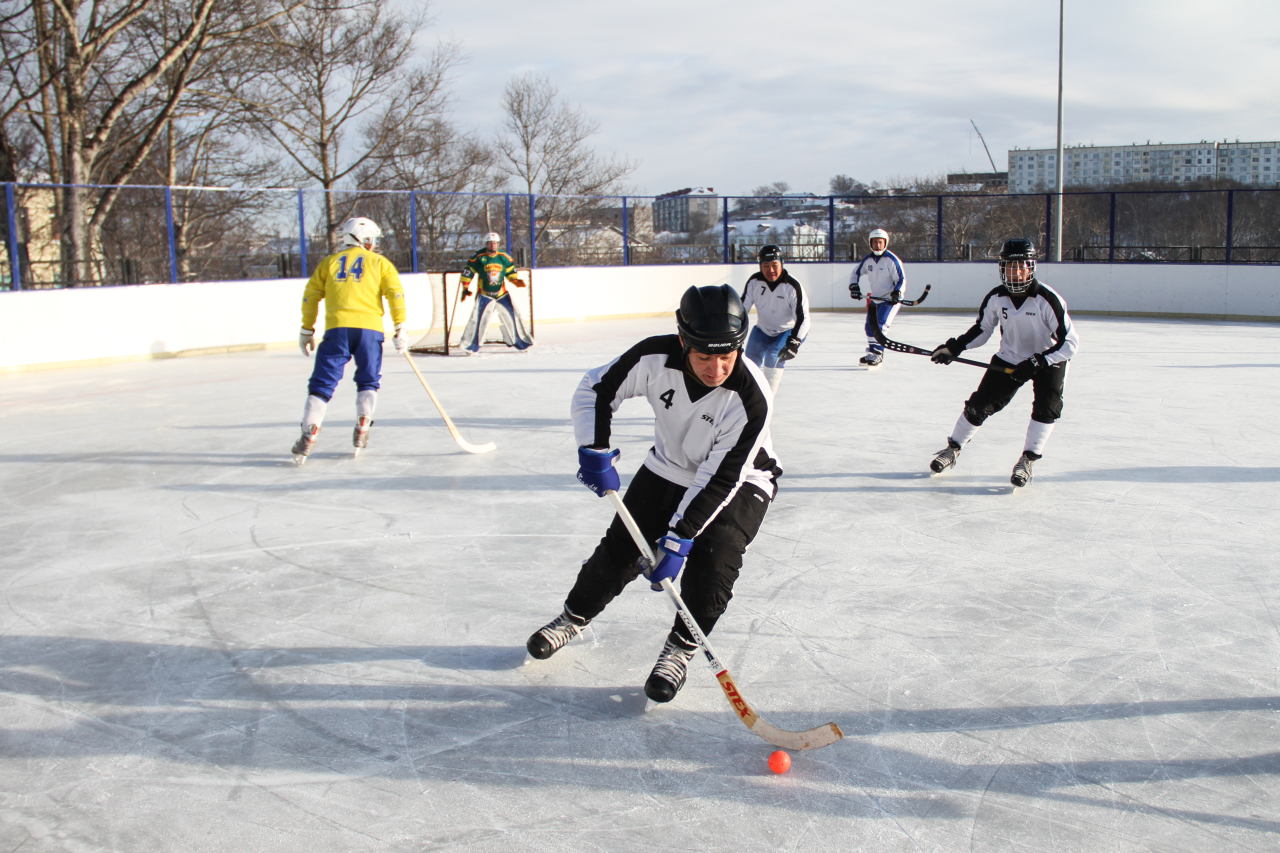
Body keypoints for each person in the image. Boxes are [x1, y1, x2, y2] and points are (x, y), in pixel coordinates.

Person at [525, 285, 782, 704]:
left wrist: (680, 537)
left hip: (743, 480)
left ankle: (681, 647)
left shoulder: (751, 398)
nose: (716, 369)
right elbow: (596, 389)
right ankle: (573, 617)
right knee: (621, 549)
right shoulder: (653, 357)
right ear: (684, 343)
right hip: (669, 465)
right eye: (704, 357)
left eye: (727, 356)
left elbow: (719, 480)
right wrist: (594, 449)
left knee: (715, 558)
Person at [927, 238, 1080, 487]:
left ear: (1031, 268)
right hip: (1010, 357)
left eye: (1022, 266)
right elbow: (983, 330)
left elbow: (1070, 343)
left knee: (1047, 406)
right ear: (1002, 268)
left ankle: (1027, 461)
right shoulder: (997, 297)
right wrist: (954, 348)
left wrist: (1039, 361)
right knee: (979, 405)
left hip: (1048, 359)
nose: (1016, 271)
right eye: (1010, 266)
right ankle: (952, 449)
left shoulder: (1048, 300)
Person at [293, 217, 407, 464]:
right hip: (370, 331)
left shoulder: (329, 263)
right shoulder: (380, 263)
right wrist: (401, 327)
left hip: (337, 329)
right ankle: (363, 424)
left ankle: (310, 431)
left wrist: (306, 329)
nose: (373, 243)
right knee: (368, 379)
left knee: (322, 383)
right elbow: (395, 294)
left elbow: (310, 296)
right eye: (371, 239)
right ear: (361, 238)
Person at [740, 244, 810, 395]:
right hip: (762, 330)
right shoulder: (754, 282)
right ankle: (748, 398)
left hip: (787, 331)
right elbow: (741, 310)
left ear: (781, 264)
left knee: (773, 356)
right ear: (760, 266)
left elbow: (804, 319)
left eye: (774, 265)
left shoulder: (792, 286)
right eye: (765, 265)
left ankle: (767, 400)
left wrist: (795, 342)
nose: (770, 270)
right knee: (749, 363)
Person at [458, 232, 532, 353]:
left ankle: (521, 342)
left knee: (512, 316)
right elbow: (468, 272)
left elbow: (510, 272)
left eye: (495, 243)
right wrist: (465, 287)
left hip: (501, 294)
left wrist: (515, 280)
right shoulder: (478, 257)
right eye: (490, 243)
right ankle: (470, 345)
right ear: (486, 244)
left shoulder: (504, 257)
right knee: (479, 319)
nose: (493, 245)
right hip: (484, 294)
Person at [848, 228, 905, 367]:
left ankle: (878, 354)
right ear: (870, 243)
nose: (877, 245)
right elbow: (855, 273)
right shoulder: (868, 260)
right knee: (869, 327)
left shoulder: (891, 260)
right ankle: (872, 352)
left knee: (880, 326)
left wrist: (897, 292)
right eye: (875, 243)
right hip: (875, 299)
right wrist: (854, 286)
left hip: (890, 300)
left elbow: (901, 279)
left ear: (885, 243)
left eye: (880, 242)